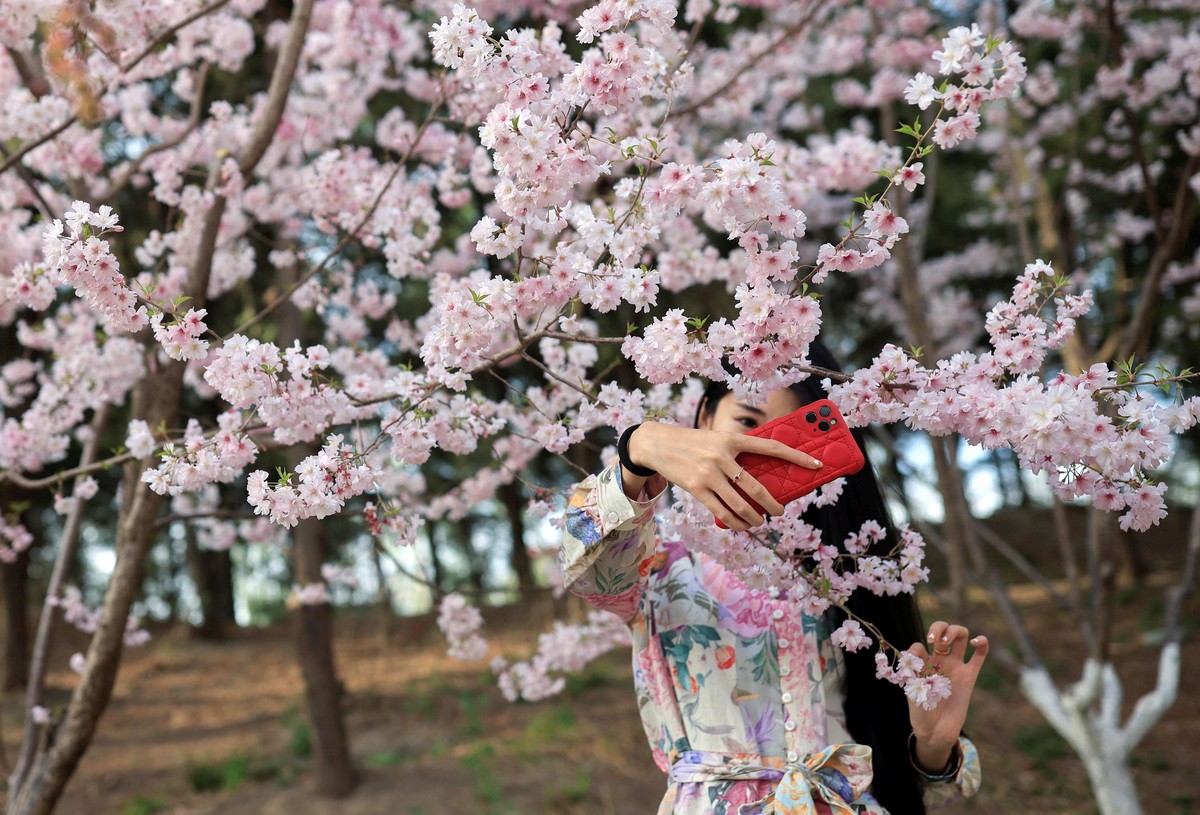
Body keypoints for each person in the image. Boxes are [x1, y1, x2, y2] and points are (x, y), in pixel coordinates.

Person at [560, 344, 989, 815]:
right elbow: (585, 561)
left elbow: (914, 784)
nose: (763, 450)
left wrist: (932, 746)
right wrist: (638, 449)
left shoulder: (850, 568)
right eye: (746, 423)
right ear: (704, 416)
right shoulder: (656, 557)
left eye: (790, 440)